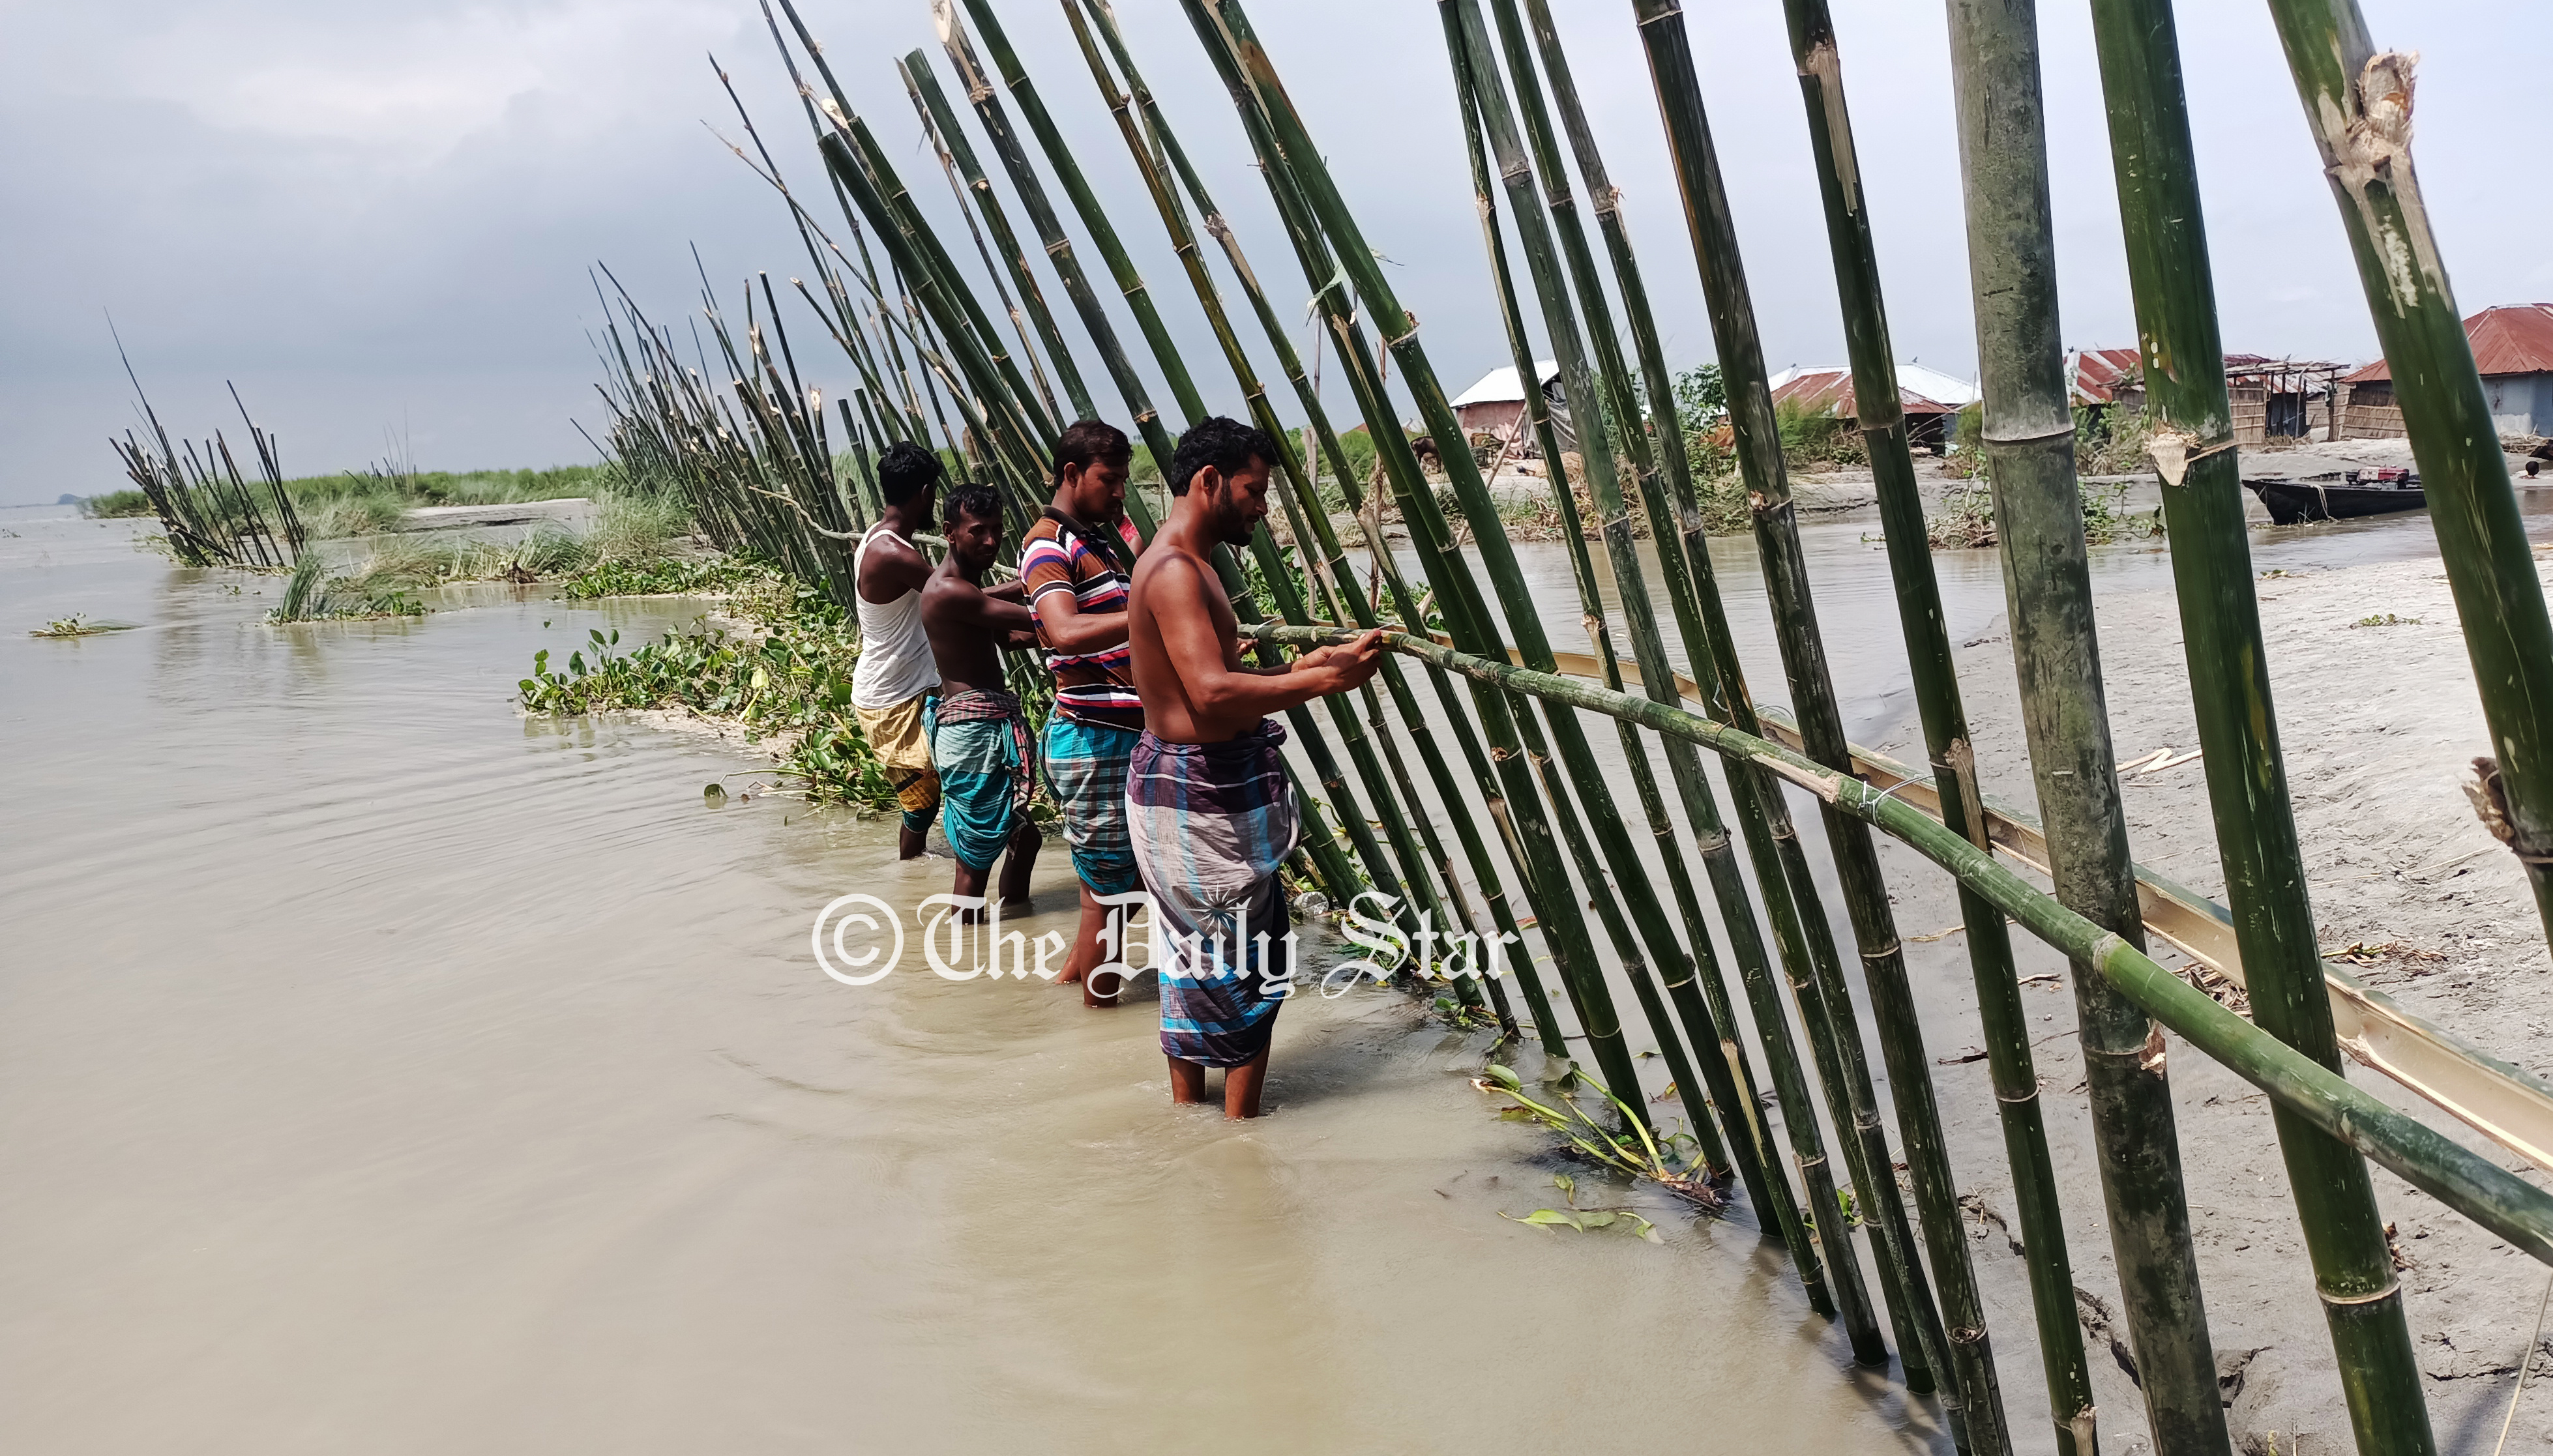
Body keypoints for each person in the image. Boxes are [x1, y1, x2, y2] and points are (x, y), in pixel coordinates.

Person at [1123, 416, 1381, 1118]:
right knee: (1244, 966)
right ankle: (1239, 1135)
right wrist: (1322, 684)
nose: (1261, 508)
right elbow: (1209, 692)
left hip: (1184, 783)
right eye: (1254, 489)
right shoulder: (1177, 570)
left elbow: (1208, 685)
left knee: (1195, 956)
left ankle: (1190, 1123)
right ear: (1208, 481)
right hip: (1195, 791)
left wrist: (1294, 669)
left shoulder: (1175, 560)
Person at [1020, 421, 1145, 1007]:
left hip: (1113, 736)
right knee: (1112, 899)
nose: (1119, 491)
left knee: (1106, 897)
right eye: (1110, 479)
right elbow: (1065, 631)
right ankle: (1099, 1020)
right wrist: (1153, 607)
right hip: (1095, 741)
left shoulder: (1095, 543)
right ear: (1071, 473)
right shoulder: (1048, 543)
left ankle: (1074, 999)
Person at [921, 483, 1044, 918]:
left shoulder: (966, 590)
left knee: (1025, 839)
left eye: (997, 529)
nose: (991, 541)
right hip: (972, 735)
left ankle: (1014, 921)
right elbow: (1039, 618)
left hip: (981, 729)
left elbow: (1011, 639)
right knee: (973, 864)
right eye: (979, 531)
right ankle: (965, 956)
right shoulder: (949, 591)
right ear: (950, 532)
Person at [851, 441, 945, 860]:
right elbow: (954, 598)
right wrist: (1024, 586)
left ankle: (915, 872)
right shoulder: (892, 552)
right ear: (925, 493)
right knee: (923, 800)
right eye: (935, 493)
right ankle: (912, 868)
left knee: (928, 796)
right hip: (890, 695)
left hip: (903, 685)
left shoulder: (880, 536)